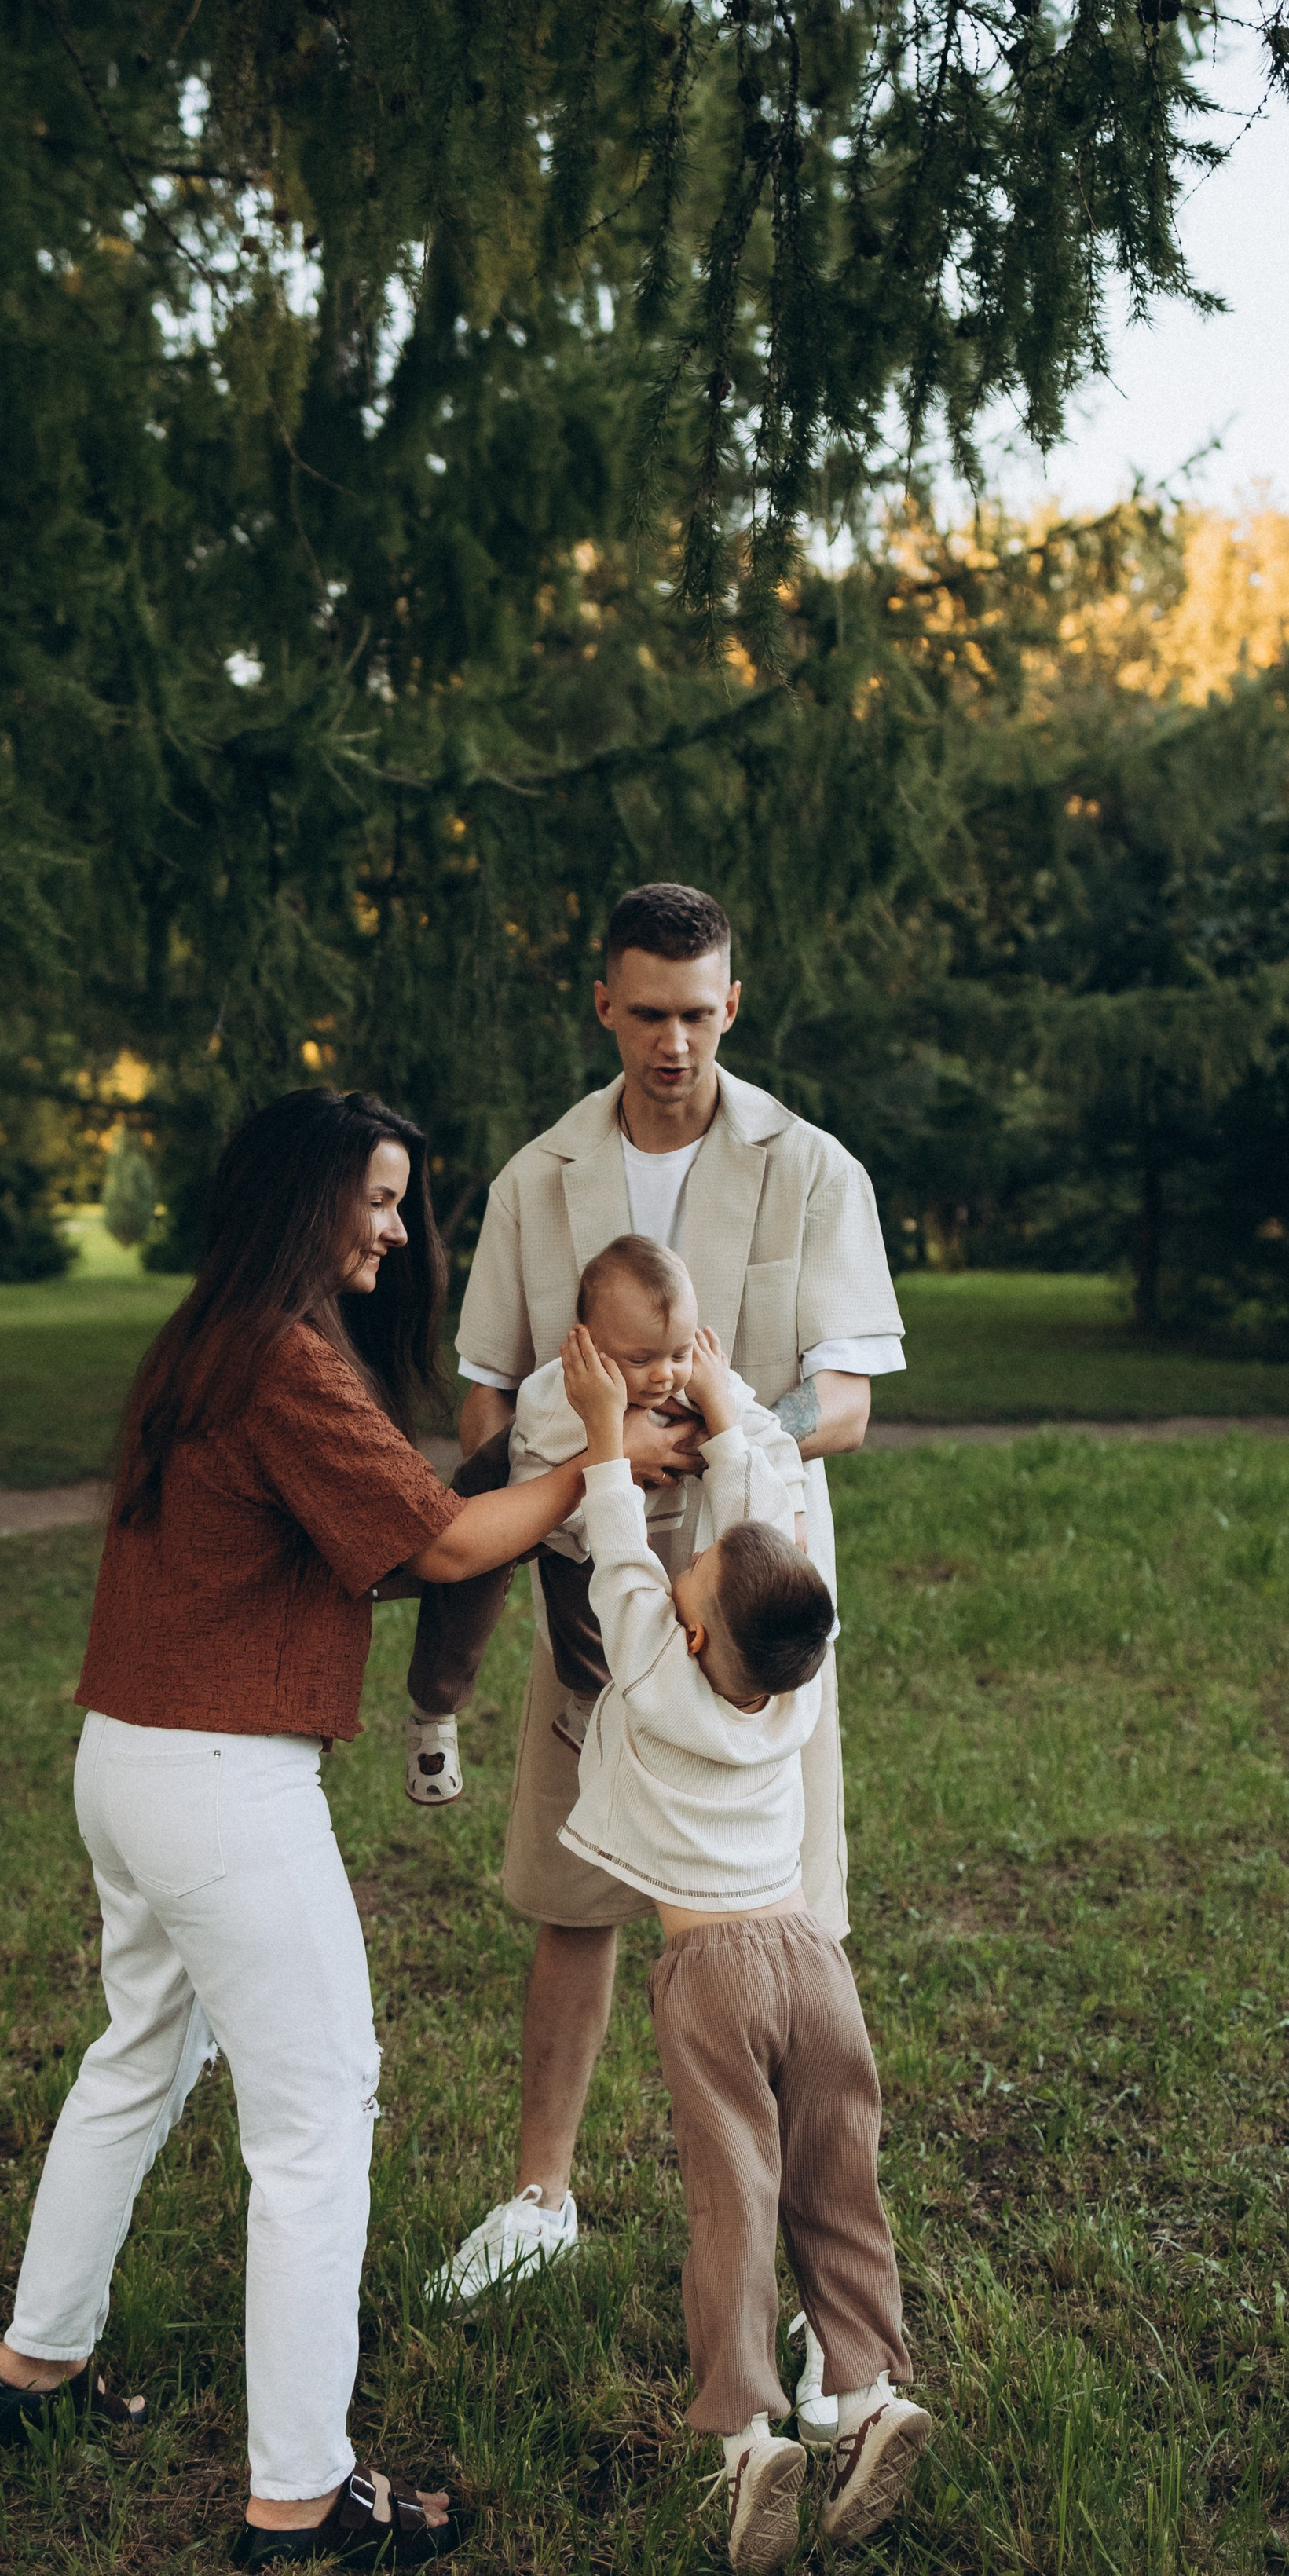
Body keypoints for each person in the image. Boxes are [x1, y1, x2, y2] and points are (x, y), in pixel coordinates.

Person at [0, 1088, 587, 2572]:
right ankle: (300, 2495)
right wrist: (595, 1473)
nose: (396, 1226)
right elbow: (434, 1543)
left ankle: (35, 2365)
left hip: (128, 1754)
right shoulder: (282, 1362)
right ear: (303, 1197)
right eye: (377, 1197)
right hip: (221, 1782)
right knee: (317, 2121)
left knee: (136, 2059)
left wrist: (523, 1479)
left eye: (404, 1201)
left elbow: (380, 1531)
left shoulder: (207, 1337)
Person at [424, 882, 905, 2401]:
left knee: (788, 1929)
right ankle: (543, 2197)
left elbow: (850, 1402)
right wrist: (585, 1467)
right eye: (648, 1014)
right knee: (572, 1898)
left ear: (733, 1006)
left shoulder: (816, 1170)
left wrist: (725, 1426)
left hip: (752, 1614)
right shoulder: (538, 1176)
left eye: (700, 1014)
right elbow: (486, 1394)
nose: (675, 1044)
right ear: (604, 1004)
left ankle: (817, 2287)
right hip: (597, 1587)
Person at [555, 1319, 931, 2576]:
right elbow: (772, 1528)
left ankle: (750, 2436)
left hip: (712, 1974)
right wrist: (726, 1405)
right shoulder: (800, 1666)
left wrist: (606, 1431)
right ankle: (871, 2393)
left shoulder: (657, 1679)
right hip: (814, 1962)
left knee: (735, 2198)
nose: (682, 1574)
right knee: (839, 2179)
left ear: (697, 1635)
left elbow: (617, 1542)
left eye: (693, 1585)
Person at [401, 1233, 802, 1802]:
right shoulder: (555, 1400)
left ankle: (591, 1705)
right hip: (543, 1512)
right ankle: (435, 1705)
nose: (664, 1374)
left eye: (680, 1352)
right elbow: (528, 1483)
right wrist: (607, 1437)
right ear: (586, 1346)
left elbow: (764, 1434)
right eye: (642, 1359)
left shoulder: (697, 1381)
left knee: (618, 1620)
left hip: (627, 1530)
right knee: (491, 1600)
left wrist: (721, 1408)